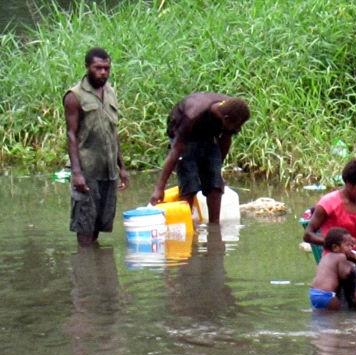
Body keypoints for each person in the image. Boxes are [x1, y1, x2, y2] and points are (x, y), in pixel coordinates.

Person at [149, 93, 250, 223]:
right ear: (225, 119)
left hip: (208, 136)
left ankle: (215, 229)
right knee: (189, 185)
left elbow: (225, 141)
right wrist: (159, 188)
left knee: (215, 186)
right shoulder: (192, 115)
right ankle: (186, 225)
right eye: (236, 126)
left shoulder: (232, 111)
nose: (238, 129)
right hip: (183, 136)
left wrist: (217, 171)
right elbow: (176, 151)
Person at [64, 47, 129, 246]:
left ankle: (97, 270)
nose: (103, 72)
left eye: (106, 68)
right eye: (98, 68)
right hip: (87, 169)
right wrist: (77, 173)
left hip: (108, 169)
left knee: (100, 223)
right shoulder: (74, 96)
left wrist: (122, 167)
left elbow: (112, 131)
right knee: (84, 225)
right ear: (87, 67)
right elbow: (71, 135)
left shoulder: (110, 91)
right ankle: (85, 267)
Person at [310, 227, 356, 317]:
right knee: (338, 316)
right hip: (327, 295)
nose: (351, 248)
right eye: (348, 245)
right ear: (335, 247)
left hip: (314, 293)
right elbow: (344, 274)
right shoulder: (341, 256)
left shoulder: (325, 257)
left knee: (322, 317)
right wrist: (355, 265)